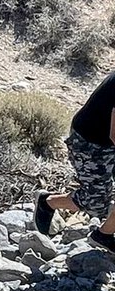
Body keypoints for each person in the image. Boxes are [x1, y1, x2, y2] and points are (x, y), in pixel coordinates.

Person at [35, 71, 115, 250]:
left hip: (107, 141)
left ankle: (104, 234)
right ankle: (47, 203)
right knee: (97, 203)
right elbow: (114, 134)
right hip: (90, 143)